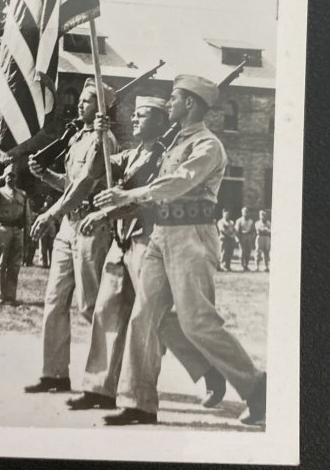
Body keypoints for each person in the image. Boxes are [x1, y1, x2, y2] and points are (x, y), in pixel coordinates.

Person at [92, 75, 266, 426]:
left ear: (189, 104)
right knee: (145, 318)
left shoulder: (208, 145)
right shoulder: (173, 143)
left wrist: (127, 197)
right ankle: (138, 402)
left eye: (173, 98)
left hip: (192, 236)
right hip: (163, 234)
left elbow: (180, 182)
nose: (167, 104)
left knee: (196, 321)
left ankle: (258, 389)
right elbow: (136, 170)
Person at [68, 97, 225, 412]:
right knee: (106, 311)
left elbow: (152, 199)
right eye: (135, 115)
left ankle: (206, 370)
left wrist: (108, 214)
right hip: (123, 238)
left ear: (160, 122)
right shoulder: (132, 154)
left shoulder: (168, 157)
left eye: (143, 116)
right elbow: (98, 169)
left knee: (155, 321)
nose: (135, 120)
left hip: (149, 240)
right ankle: (99, 388)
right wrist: (100, 137)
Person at [24, 77, 117, 394]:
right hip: (68, 226)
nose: (80, 104)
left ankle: (105, 378)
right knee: (54, 301)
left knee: (91, 305)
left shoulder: (105, 141)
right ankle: (54, 373)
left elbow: (85, 186)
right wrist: (46, 175)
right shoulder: (78, 138)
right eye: (81, 99)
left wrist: (51, 213)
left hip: (91, 226)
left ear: (102, 107)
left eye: (88, 100)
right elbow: (68, 184)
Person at [0, 164, 30, 304]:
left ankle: (11, 295)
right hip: (4, 228)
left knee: (15, 264)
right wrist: (0, 177)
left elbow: (26, 215)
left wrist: (27, 233)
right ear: (5, 177)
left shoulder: (22, 194)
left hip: (18, 229)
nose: (11, 178)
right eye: (8, 175)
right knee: (1, 262)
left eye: (13, 175)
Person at [39, 195, 57, 268]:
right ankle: (44, 263)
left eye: (50, 200)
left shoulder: (54, 209)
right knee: (44, 249)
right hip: (44, 232)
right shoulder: (42, 210)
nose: (49, 201)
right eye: (48, 200)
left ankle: (51, 263)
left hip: (51, 231)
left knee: (51, 249)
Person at [235, 207, 256, 271]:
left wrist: (253, 238)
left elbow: (253, 231)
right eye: (244, 212)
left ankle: (246, 265)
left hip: (249, 237)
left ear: (248, 213)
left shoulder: (251, 221)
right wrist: (237, 239)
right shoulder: (239, 220)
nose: (245, 213)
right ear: (242, 213)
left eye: (247, 212)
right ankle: (242, 265)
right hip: (242, 236)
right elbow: (237, 231)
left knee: (248, 252)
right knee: (242, 252)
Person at [24, 197, 39, 267]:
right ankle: (24, 260)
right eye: (31, 203)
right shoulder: (25, 213)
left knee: (32, 246)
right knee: (26, 246)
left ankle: (29, 261)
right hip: (27, 230)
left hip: (33, 230)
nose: (32, 205)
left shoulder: (36, 214)